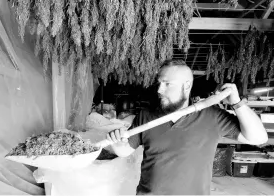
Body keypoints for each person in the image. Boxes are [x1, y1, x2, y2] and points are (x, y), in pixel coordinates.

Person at [106, 59, 268, 195]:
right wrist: (116, 142)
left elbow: (259, 138)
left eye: (167, 84)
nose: (159, 90)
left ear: (186, 86)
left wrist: (237, 103)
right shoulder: (146, 115)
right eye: (159, 83)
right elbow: (124, 151)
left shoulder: (212, 116)